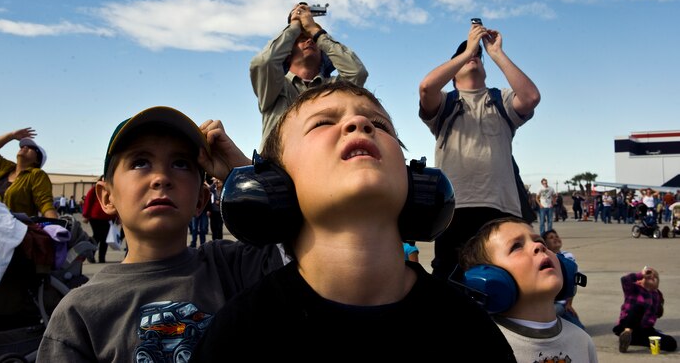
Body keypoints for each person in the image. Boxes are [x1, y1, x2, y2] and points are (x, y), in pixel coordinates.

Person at [191, 81, 516, 360]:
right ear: (275, 184)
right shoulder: (241, 332)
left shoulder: (467, 328)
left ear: (414, 180)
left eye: (381, 125)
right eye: (322, 123)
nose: (360, 123)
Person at [37, 106, 285, 362]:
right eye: (140, 162)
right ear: (107, 197)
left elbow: (307, 244)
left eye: (180, 163)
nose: (161, 178)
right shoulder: (80, 311)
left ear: (200, 199)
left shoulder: (231, 267)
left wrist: (243, 174)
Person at [419, 20, 540, 280]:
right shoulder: (446, 103)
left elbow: (530, 97)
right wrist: (467, 51)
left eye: (477, 57)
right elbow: (427, 87)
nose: (473, 57)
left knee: (504, 278)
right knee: (450, 280)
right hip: (456, 207)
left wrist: (495, 53)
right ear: (452, 75)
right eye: (465, 58)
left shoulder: (501, 99)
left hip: (502, 207)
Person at [459, 217, 598, 362]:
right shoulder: (481, 348)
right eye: (516, 246)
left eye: (540, 241)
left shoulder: (582, 341)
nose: (539, 246)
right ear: (490, 278)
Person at [250, 1, 368, 153]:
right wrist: (294, 26)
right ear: (287, 54)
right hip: (278, 171)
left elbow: (357, 72)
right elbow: (263, 62)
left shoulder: (333, 87)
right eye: (300, 39)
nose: (309, 40)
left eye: (313, 40)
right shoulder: (276, 85)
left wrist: (316, 31)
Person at [0, 128, 58, 218]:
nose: (25, 147)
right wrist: (12, 135)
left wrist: (56, 226)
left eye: (32, 148)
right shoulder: (4, 168)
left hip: (15, 229)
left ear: (37, 160)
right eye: (22, 146)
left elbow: (44, 202)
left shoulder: (36, 175)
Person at [613, 266, 677, 353]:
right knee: (638, 308)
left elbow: (657, 314)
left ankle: (630, 341)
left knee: (671, 343)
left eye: (655, 277)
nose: (652, 278)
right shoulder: (634, 289)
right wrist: (641, 274)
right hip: (626, 325)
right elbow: (625, 280)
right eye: (648, 276)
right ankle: (627, 334)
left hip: (644, 330)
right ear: (640, 280)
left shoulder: (657, 295)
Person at [542, 229, 586, 330]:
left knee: (580, 330)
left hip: (561, 303)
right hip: (546, 303)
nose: (556, 238)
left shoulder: (567, 256)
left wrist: (569, 303)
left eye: (556, 236)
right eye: (551, 238)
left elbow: (573, 281)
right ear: (545, 244)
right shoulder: (543, 259)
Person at [81, 176, 111, 264]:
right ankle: (91, 256)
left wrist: (116, 217)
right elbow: (88, 201)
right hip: (95, 217)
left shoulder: (111, 190)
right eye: (103, 178)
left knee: (105, 239)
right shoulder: (94, 189)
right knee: (97, 236)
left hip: (107, 217)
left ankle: (102, 258)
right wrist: (86, 215)